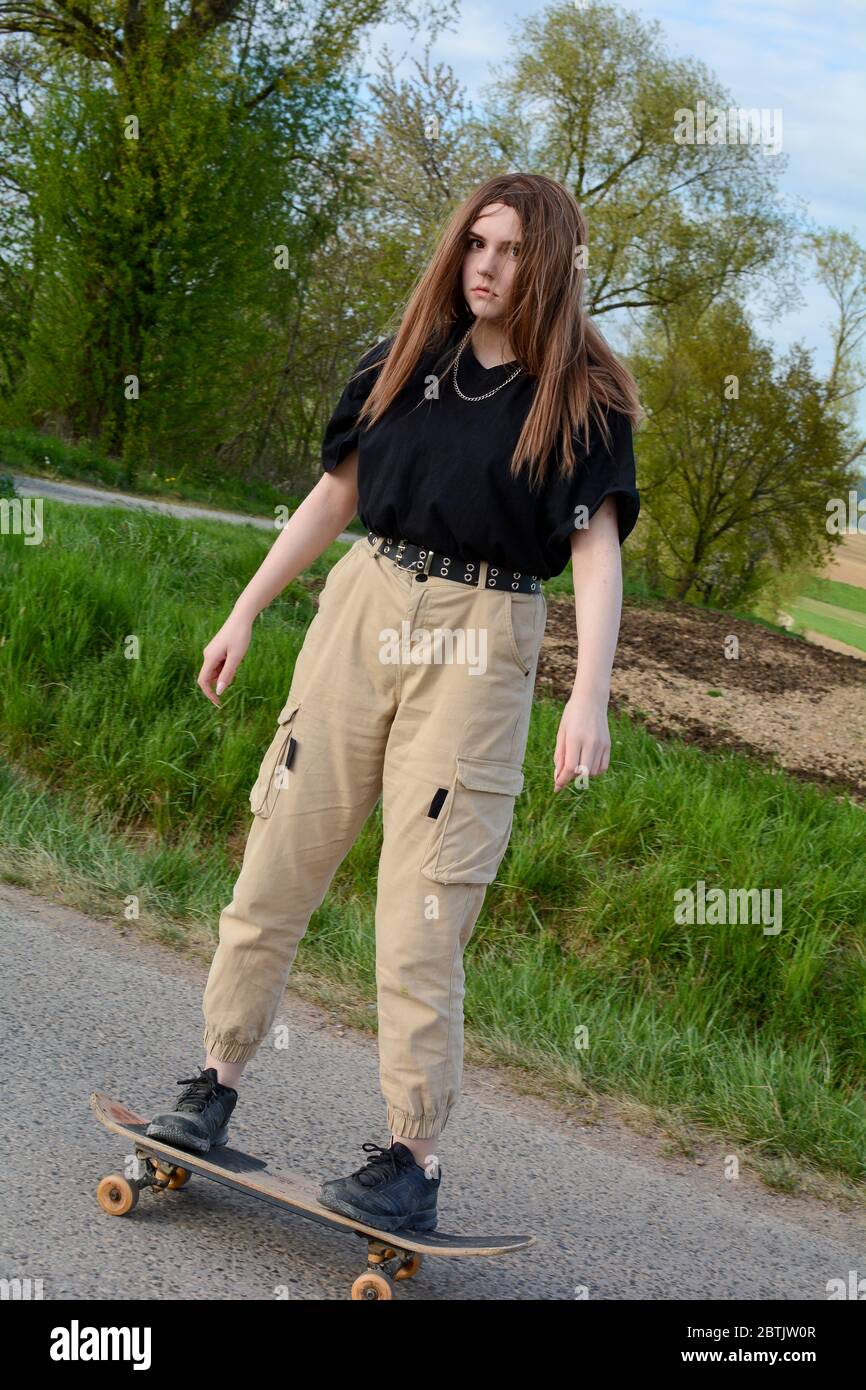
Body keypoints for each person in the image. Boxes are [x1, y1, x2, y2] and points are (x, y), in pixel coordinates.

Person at [145, 172, 641, 1234]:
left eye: (509, 250)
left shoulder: (583, 398)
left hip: (483, 635)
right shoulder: (405, 356)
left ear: (546, 262)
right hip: (364, 604)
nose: (486, 266)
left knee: (423, 912)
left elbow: (593, 552)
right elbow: (336, 492)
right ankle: (211, 1084)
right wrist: (243, 611)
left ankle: (408, 1157)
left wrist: (586, 695)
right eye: (475, 243)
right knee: (275, 859)